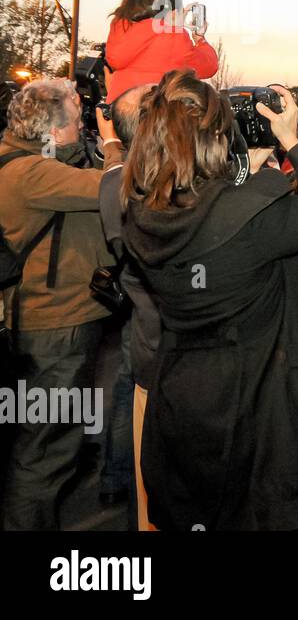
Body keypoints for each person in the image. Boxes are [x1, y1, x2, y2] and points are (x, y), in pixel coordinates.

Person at [121, 71, 298, 530]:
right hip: (264, 418)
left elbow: (207, 214)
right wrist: (292, 140)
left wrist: (244, 176)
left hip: (187, 405)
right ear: (219, 137)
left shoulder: (141, 214)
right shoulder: (253, 214)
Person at [0, 79, 124, 530]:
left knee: (50, 442)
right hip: (55, 328)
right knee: (47, 451)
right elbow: (117, 186)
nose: (82, 128)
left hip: (56, 321)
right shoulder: (30, 173)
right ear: (53, 133)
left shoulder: (31, 157)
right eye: (76, 122)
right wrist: (112, 142)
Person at [97, 84, 161, 530]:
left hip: (141, 329)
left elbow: (119, 169)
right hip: (165, 340)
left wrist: (110, 143)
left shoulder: (112, 180)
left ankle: (117, 476)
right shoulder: (162, 185)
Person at [104, 0, 218, 102]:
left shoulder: (122, 29)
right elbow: (209, 66)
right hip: (155, 115)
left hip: (119, 114)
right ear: (173, 14)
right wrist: (200, 39)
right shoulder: (174, 38)